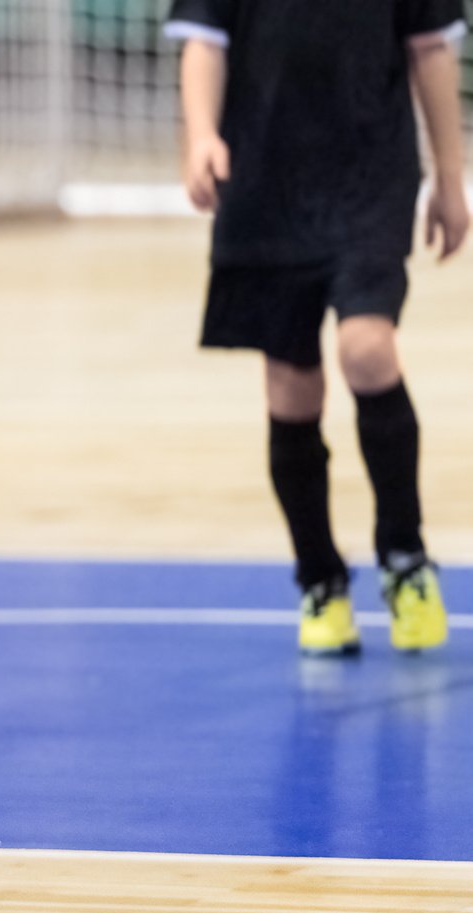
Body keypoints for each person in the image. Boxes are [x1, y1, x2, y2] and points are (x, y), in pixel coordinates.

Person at [171, 0, 466, 656]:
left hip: (371, 175)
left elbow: (431, 49)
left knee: (366, 347)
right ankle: (320, 579)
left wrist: (451, 175)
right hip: (265, 180)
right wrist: (201, 136)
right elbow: (204, 41)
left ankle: (404, 556)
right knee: (291, 384)